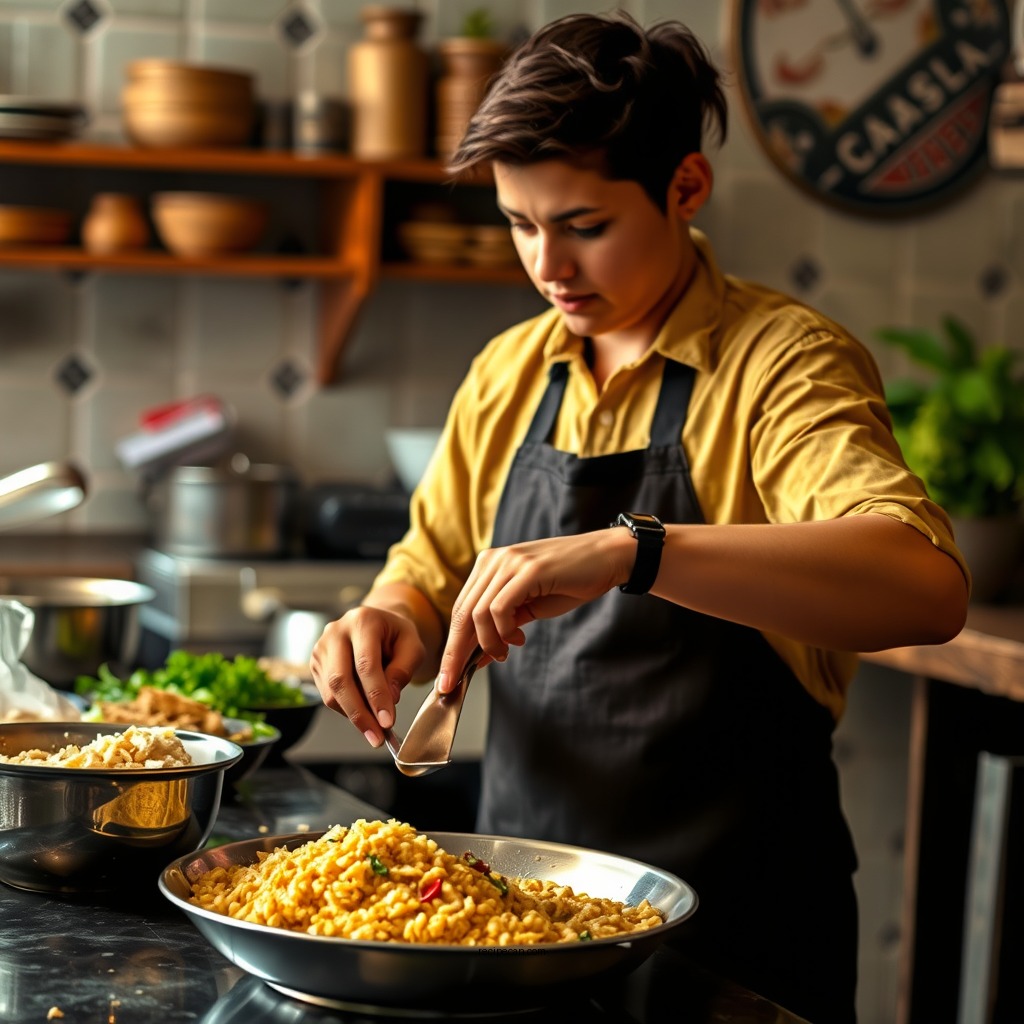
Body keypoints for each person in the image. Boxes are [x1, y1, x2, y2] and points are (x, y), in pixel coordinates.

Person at [311, 11, 969, 1022]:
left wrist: (637, 550)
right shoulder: (508, 371)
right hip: (515, 931)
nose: (548, 266)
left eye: (583, 225)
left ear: (685, 188)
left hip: (733, 948)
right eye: (521, 224)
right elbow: (428, 563)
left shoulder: (784, 363)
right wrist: (390, 615)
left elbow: (924, 586)